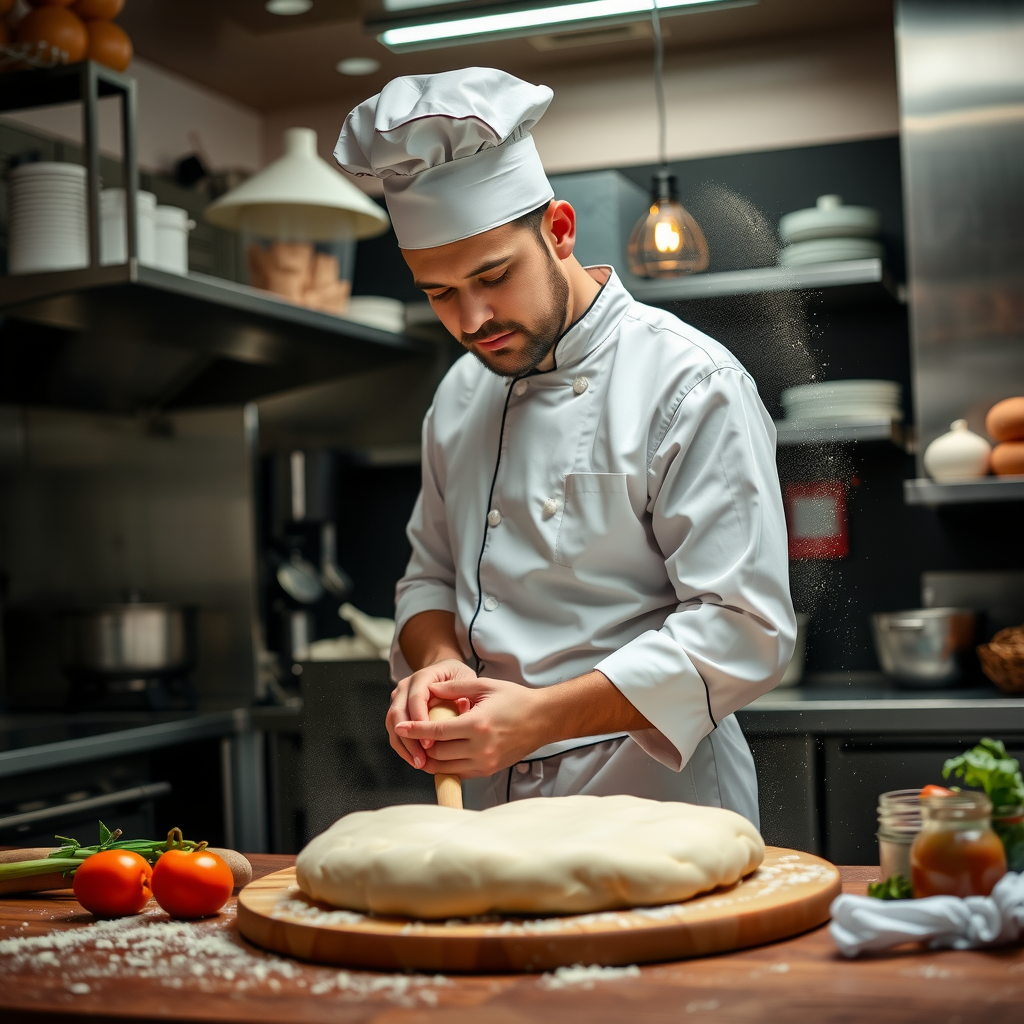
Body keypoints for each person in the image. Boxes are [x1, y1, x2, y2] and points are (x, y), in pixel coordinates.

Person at [334, 67, 796, 825]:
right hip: (488, 810)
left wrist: (538, 719)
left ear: (559, 230)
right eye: (439, 291)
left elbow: (742, 626)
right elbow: (428, 583)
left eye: (493, 275)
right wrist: (438, 666)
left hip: (653, 806)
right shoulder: (459, 395)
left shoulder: (690, 382)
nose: (473, 319)